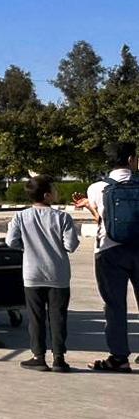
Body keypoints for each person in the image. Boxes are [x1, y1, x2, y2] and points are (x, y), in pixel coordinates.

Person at [74, 141, 139, 371]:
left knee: (114, 305)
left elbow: (100, 220)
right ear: (131, 160)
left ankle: (119, 358)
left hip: (109, 251)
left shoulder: (96, 188)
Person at [7, 175, 79, 373]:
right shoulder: (63, 217)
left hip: (32, 273)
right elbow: (71, 245)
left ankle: (38, 356)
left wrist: (27, 247)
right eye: (54, 189)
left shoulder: (21, 216)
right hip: (58, 275)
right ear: (47, 195)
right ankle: (59, 358)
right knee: (58, 317)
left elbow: (10, 241)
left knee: (35, 317)